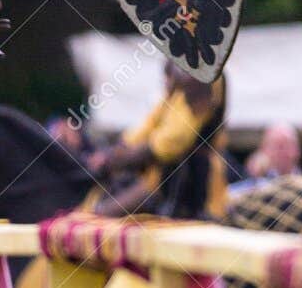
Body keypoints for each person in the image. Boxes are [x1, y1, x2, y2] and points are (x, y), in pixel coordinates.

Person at [93, 70, 229, 220]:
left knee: (103, 214)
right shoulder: (176, 88)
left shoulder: (205, 73)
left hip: (197, 188)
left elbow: (171, 143)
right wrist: (116, 152)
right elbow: (142, 132)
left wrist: (118, 158)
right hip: (161, 181)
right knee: (98, 211)